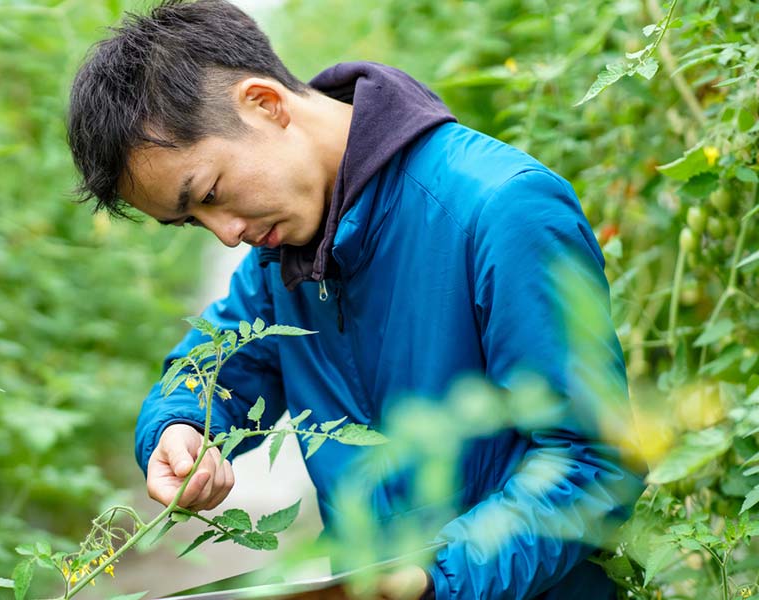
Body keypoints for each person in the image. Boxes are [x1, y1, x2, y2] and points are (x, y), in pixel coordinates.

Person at [66, 1, 645, 598]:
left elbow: (592, 463)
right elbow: (210, 370)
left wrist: (435, 580)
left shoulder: (500, 210)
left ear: (264, 104)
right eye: (191, 220)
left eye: (211, 193)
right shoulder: (283, 256)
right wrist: (178, 429)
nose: (226, 233)